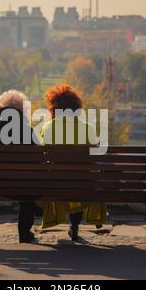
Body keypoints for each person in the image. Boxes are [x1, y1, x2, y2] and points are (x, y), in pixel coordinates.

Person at [39, 84, 107, 241]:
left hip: (55, 183)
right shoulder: (88, 128)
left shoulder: (48, 128)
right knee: (80, 180)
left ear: (53, 108)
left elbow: (43, 157)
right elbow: (96, 158)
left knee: (65, 180)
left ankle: (69, 223)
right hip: (84, 184)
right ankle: (75, 225)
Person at [0, 90, 42, 243]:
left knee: (27, 190)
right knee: (28, 192)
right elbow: (39, 160)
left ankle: (36, 208)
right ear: (21, 110)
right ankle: (24, 233)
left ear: (0, 108)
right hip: (22, 185)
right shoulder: (26, 130)